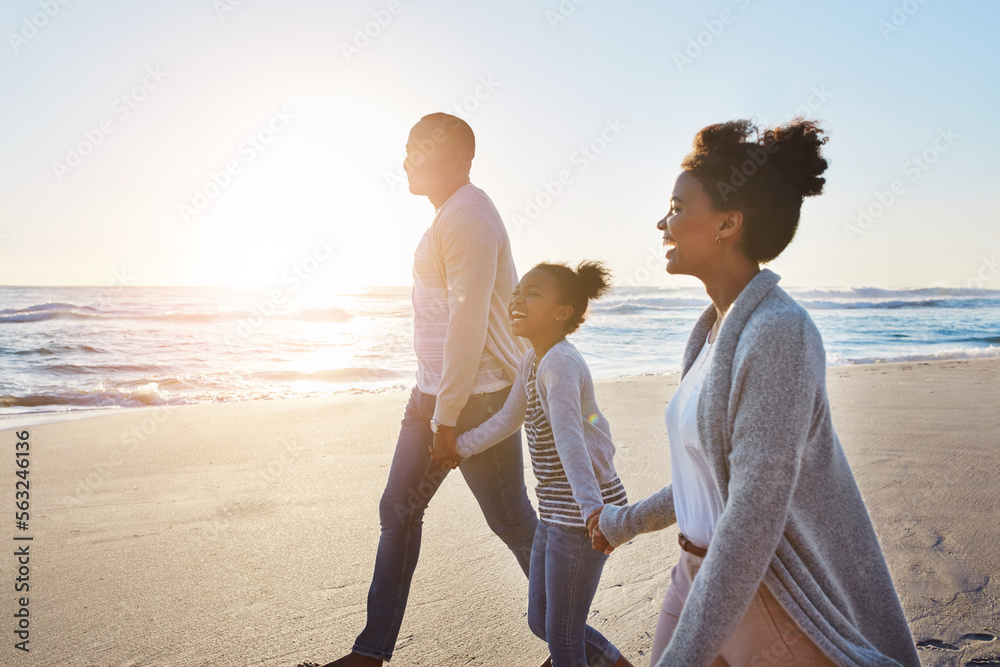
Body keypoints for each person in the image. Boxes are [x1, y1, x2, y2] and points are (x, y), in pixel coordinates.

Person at [590, 119, 921, 666]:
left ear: (727, 223)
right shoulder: (713, 334)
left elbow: (751, 512)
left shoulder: (778, 334)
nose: (661, 223)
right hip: (695, 575)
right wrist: (624, 523)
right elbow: (710, 477)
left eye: (676, 207)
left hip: (762, 591)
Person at [321, 113, 538, 667]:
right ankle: (371, 654)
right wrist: (434, 404)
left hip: (471, 399)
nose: (406, 161)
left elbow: (466, 322)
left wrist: (447, 418)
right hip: (436, 397)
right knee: (399, 510)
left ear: (459, 158)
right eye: (408, 148)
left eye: (420, 150)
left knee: (512, 523)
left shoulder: (467, 216)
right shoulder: (452, 214)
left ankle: (581, 645)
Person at [434, 261, 635, 667]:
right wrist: (459, 445)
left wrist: (592, 510)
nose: (517, 299)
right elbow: (509, 419)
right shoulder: (532, 360)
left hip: (583, 515)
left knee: (562, 638)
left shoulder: (560, 363)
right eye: (517, 291)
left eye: (533, 293)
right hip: (556, 511)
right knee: (543, 622)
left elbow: (571, 441)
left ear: (561, 313)